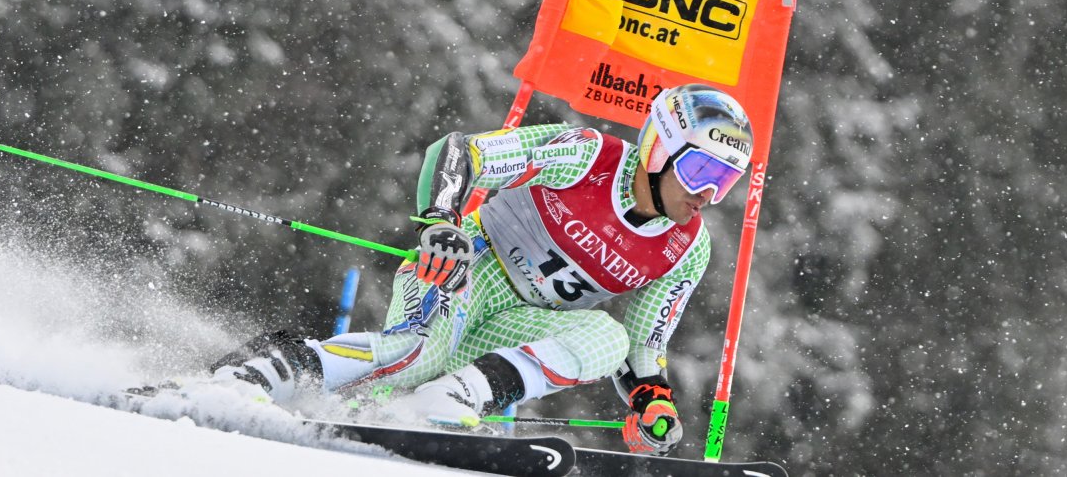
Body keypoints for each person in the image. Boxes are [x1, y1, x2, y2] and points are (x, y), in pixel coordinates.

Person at [208, 84, 753, 455]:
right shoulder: (588, 156)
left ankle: (453, 401)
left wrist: (649, 401)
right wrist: (440, 223)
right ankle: (262, 370)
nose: (707, 193)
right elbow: (460, 153)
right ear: (660, 148)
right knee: (418, 354)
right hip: (470, 268)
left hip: (525, 321)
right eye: (701, 169)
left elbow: (641, 346)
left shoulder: (688, 249)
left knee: (605, 337)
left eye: (724, 181)